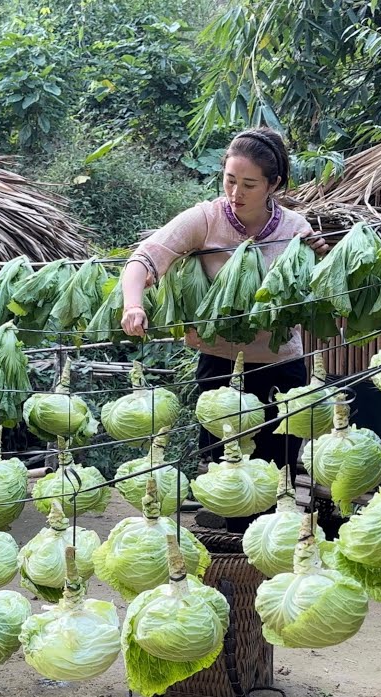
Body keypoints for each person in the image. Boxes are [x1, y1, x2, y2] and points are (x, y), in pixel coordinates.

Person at [120, 127, 329, 481]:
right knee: (224, 475)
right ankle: (228, 539)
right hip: (219, 362)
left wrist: (321, 259)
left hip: (279, 365)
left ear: (273, 185)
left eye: (249, 185)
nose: (235, 193)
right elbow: (144, 258)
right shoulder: (206, 219)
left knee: (278, 471)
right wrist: (133, 305)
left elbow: (311, 292)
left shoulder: (295, 229)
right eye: (229, 180)